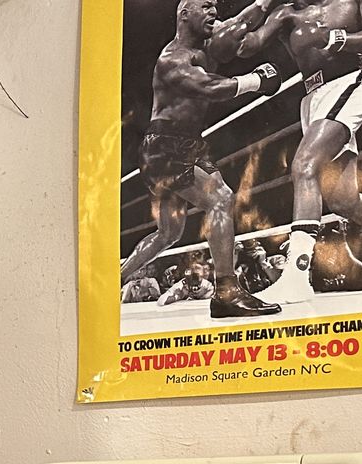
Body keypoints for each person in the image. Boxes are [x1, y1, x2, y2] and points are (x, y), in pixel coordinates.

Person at [119, 0, 287, 319]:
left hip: (181, 144)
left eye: (215, 6)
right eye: (206, 6)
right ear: (185, 14)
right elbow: (208, 87)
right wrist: (256, 81)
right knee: (221, 199)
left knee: (169, 233)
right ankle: (227, 292)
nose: (214, 11)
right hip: (167, 146)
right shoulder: (173, 59)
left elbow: (238, 22)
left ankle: (118, 279)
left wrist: (264, 4)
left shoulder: (206, 44)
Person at [238, 0, 362, 304]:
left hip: (349, 81)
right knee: (343, 200)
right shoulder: (285, 13)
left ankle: (297, 277)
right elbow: (248, 45)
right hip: (313, 98)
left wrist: (337, 39)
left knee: (305, 165)